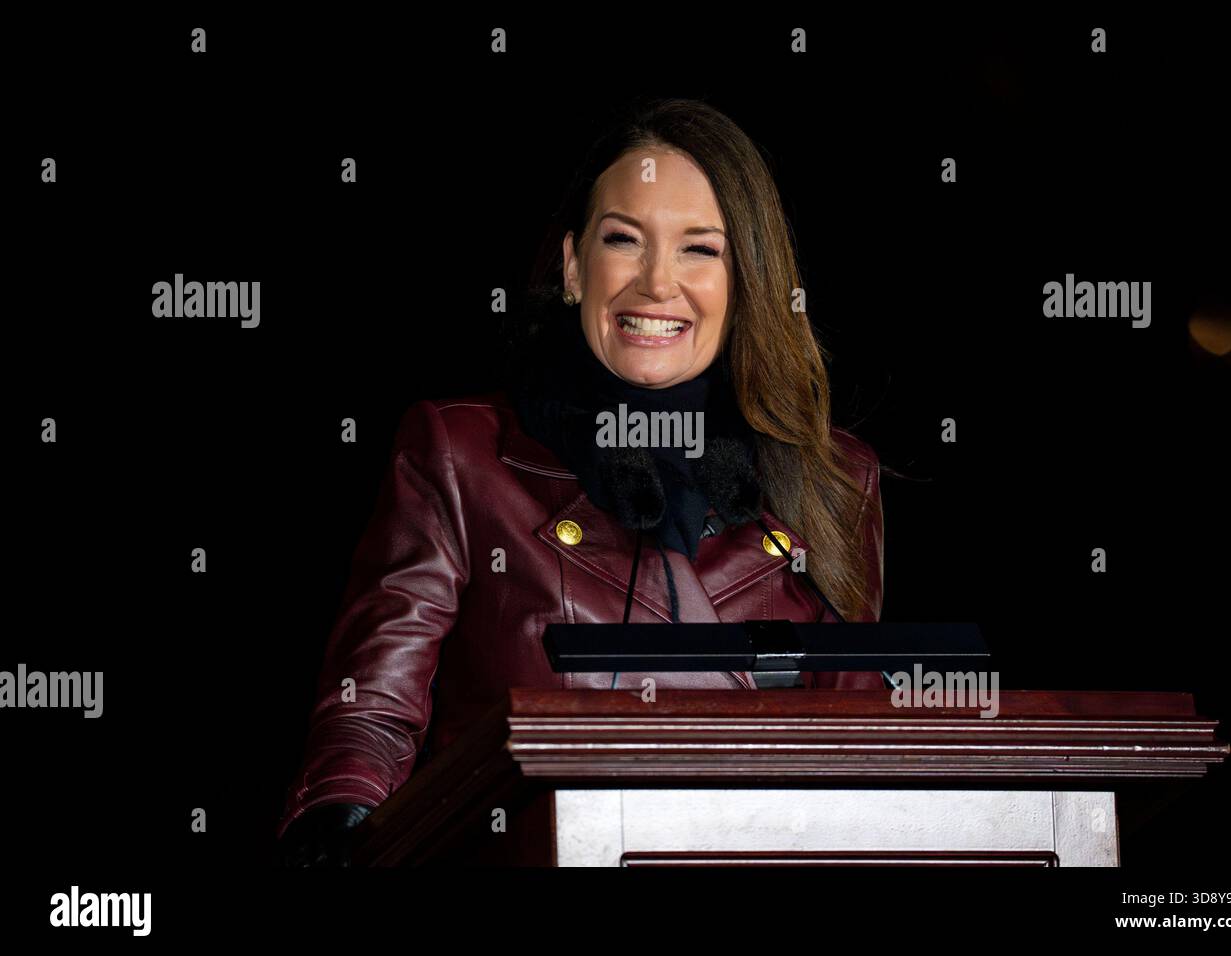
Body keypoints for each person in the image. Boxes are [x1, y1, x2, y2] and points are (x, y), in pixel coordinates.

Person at [276, 97, 886, 866]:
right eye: (624, 240)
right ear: (573, 267)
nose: (658, 283)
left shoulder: (832, 478)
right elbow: (372, 716)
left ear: (748, 281)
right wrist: (340, 822)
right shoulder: (462, 453)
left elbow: (868, 754)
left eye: (700, 249)